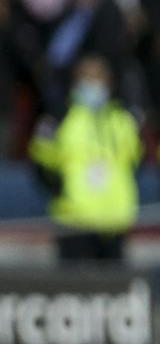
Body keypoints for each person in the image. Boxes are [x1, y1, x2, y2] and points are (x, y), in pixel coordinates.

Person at [29, 54, 142, 262]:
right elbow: (41, 163)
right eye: (87, 78)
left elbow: (136, 162)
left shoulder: (122, 120)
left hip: (114, 220)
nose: (93, 84)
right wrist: (62, 191)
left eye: (98, 78)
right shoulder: (61, 118)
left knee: (114, 289)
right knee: (76, 288)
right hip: (75, 221)